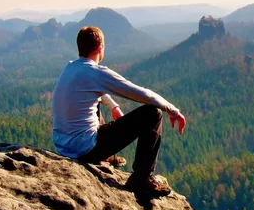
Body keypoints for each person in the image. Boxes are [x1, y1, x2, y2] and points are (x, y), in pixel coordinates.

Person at [51, 26, 186, 198]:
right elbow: (141, 94)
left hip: (63, 145)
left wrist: (114, 107)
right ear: (100, 48)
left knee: (91, 102)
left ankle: (104, 158)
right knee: (153, 113)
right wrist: (172, 110)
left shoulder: (70, 67)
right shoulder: (95, 72)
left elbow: (92, 90)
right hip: (84, 149)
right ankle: (141, 179)